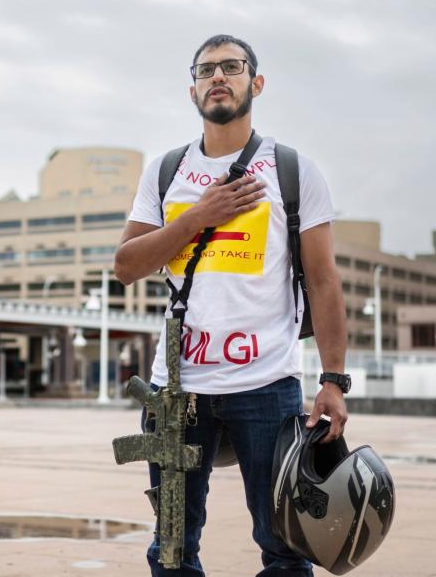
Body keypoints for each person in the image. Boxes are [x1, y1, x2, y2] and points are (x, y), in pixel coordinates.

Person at [114, 34, 349, 577]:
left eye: (232, 67)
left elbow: (324, 280)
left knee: (285, 546)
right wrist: (200, 215)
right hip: (176, 389)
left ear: (256, 83)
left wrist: (334, 379)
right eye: (205, 70)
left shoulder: (293, 170)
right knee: (171, 545)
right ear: (192, 91)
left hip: (266, 385)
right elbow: (126, 266)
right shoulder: (166, 170)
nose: (218, 76)